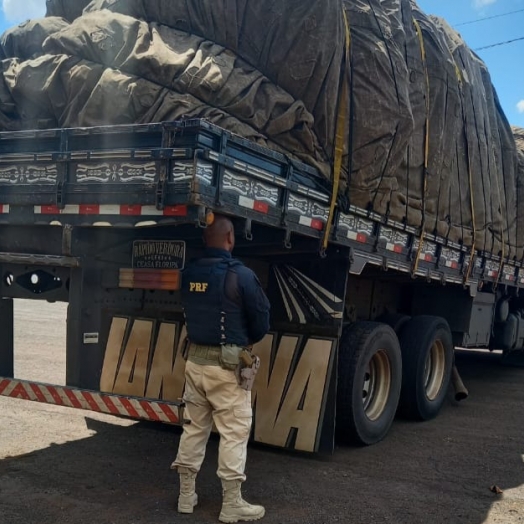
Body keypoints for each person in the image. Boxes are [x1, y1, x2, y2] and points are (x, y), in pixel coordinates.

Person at [171, 214, 271, 523]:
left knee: (194, 429)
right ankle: (231, 505)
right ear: (230, 239)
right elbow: (261, 323)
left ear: (205, 241)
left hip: (194, 365)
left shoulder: (188, 274)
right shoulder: (240, 276)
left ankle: (186, 497)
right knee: (233, 432)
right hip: (227, 370)